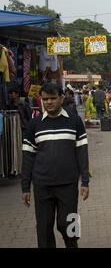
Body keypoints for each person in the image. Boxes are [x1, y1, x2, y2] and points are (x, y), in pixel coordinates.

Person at [21, 82, 89, 248]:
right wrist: (25, 187)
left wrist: (85, 181)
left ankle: (73, 245)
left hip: (68, 183)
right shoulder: (34, 124)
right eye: (45, 99)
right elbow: (28, 157)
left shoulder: (74, 121)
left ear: (61, 98)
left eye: (52, 98)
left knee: (69, 224)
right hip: (42, 185)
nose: (49, 102)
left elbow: (82, 152)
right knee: (43, 228)